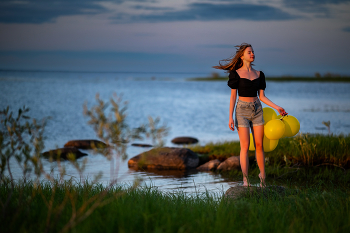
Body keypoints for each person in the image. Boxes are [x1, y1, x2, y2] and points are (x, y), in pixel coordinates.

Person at [213, 43, 287, 187]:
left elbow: (263, 96)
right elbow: (233, 97)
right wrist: (230, 117)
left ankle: (263, 178)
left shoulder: (259, 74)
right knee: (245, 147)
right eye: (249, 52)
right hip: (241, 111)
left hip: (257, 109)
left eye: (253, 52)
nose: (252, 54)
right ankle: (246, 180)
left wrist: (277, 107)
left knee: (259, 145)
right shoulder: (236, 74)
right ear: (242, 56)